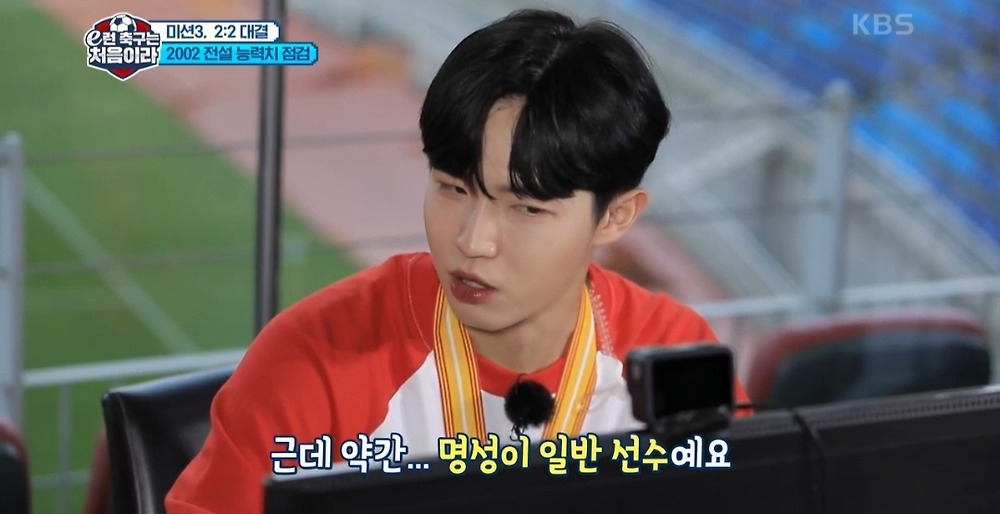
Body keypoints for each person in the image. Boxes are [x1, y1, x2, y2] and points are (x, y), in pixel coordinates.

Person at [165, 9, 749, 513]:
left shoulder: (674, 356)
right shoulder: (314, 360)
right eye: (452, 188)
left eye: (526, 209)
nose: (473, 241)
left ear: (615, 217)